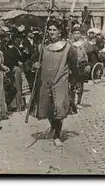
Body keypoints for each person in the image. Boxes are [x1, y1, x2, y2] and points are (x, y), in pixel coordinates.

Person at [29, 18, 80, 147]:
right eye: (50, 30)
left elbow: (74, 67)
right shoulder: (41, 46)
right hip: (45, 81)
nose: (51, 32)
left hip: (60, 81)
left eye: (54, 30)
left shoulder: (68, 48)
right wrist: (33, 65)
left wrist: (75, 82)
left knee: (59, 107)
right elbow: (31, 61)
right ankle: (53, 127)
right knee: (48, 108)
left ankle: (57, 135)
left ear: (59, 32)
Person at [69, 25, 90, 110]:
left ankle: (79, 102)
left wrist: (88, 65)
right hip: (72, 66)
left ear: (80, 34)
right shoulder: (69, 43)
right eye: (75, 33)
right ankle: (72, 103)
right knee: (72, 85)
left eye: (78, 33)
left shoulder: (84, 43)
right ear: (72, 34)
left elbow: (89, 55)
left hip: (82, 65)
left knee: (80, 84)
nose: (76, 35)